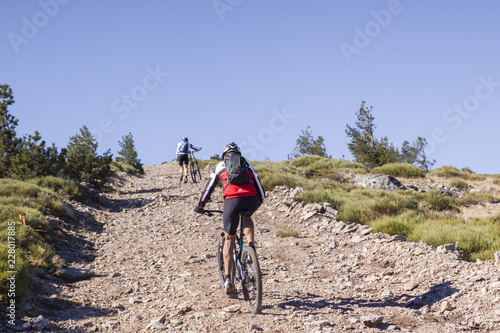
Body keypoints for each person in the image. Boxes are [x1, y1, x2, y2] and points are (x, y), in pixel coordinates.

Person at [194, 142, 265, 295]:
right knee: (247, 216)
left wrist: (200, 206)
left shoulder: (220, 166)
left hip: (232, 201)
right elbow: (261, 190)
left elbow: (208, 188)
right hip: (251, 199)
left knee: (229, 239)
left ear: (224, 155)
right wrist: (257, 201)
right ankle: (251, 248)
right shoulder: (247, 164)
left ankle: (227, 279)